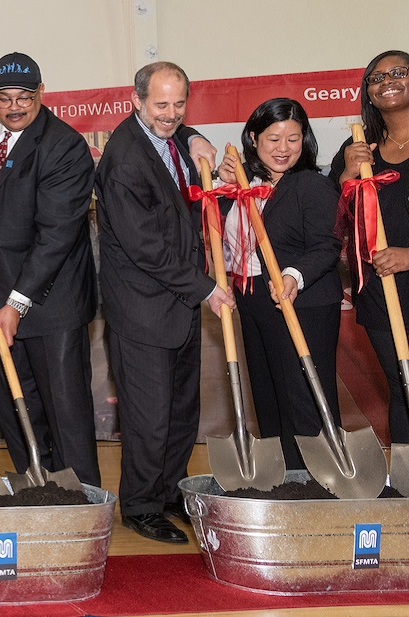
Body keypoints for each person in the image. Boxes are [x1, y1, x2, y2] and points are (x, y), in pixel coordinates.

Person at [95, 61, 233, 544]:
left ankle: (170, 491)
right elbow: (144, 246)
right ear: (136, 101)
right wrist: (205, 288)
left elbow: (179, 135)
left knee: (180, 411)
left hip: (177, 306)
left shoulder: (170, 136)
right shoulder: (125, 160)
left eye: (179, 105)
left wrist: (192, 134)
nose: (171, 114)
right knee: (148, 416)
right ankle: (139, 504)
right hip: (143, 307)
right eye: (161, 105)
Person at [0, 52, 99, 486]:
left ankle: (82, 505)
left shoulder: (65, 147)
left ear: (42, 92)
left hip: (51, 303)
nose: (15, 107)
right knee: (15, 408)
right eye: (4, 99)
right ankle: (35, 492)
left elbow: (54, 238)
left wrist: (16, 305)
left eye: (24, 97)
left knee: (65, 414)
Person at [216, 98, 342, 470]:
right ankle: (284, 476)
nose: (284, 149)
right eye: (273, 139)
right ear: (253, 138)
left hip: (304, 302)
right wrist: (223, 186)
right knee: (268, 395)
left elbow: (327, 244)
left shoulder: (311, 185)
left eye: (293, 138)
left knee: (303, 396)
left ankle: (319, 477)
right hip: (255, 300)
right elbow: (221, 238)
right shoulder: (242, 187)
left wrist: (293, 275)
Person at [331, 50, 409, 444]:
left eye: (398, 72)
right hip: (382, 290)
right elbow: (330, 219)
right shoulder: (359, 147)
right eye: (377, 78)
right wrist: (347, 173)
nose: (387, 81)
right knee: (401, 388)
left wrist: (408, 256)